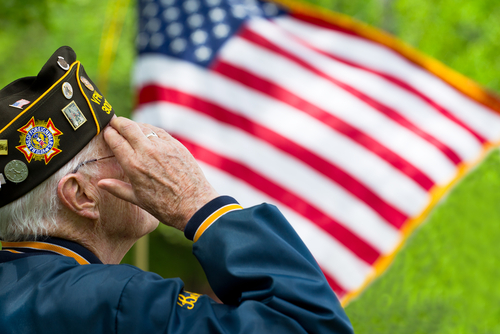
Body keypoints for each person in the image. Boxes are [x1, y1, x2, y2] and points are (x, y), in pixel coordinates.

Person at [0, 46, 354, 333]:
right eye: (119, 146)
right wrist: (199, 203)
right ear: (81, 196)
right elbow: (309, 326)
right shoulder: (116, 302)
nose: (149, 156)